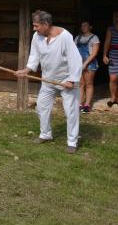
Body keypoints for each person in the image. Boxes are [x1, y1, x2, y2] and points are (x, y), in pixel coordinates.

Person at [15, 10, 82, 154]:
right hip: (47, 79)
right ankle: (45, 134)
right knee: (41, 106)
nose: (34, 29)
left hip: (66, 80)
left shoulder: (65, 37)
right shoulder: (37, 36)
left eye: (36, 26)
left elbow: (75, 59)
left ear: (46, 24)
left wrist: (72, 79)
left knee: (71, 112)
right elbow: (34, 55)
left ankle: (72, 142)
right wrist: (26, 70)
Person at [74, 21, 100, 113]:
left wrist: (85, 64)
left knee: (89, 84)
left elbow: (94, 53)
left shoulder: (94, 38)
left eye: (85, 25)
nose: (83, 27)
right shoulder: (77, 38)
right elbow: (74, 51)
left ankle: (87, 105)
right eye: (82, 25)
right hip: (78, 63)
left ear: (90, 27)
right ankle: (80, 103)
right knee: (80, 84)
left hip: (90, 63)